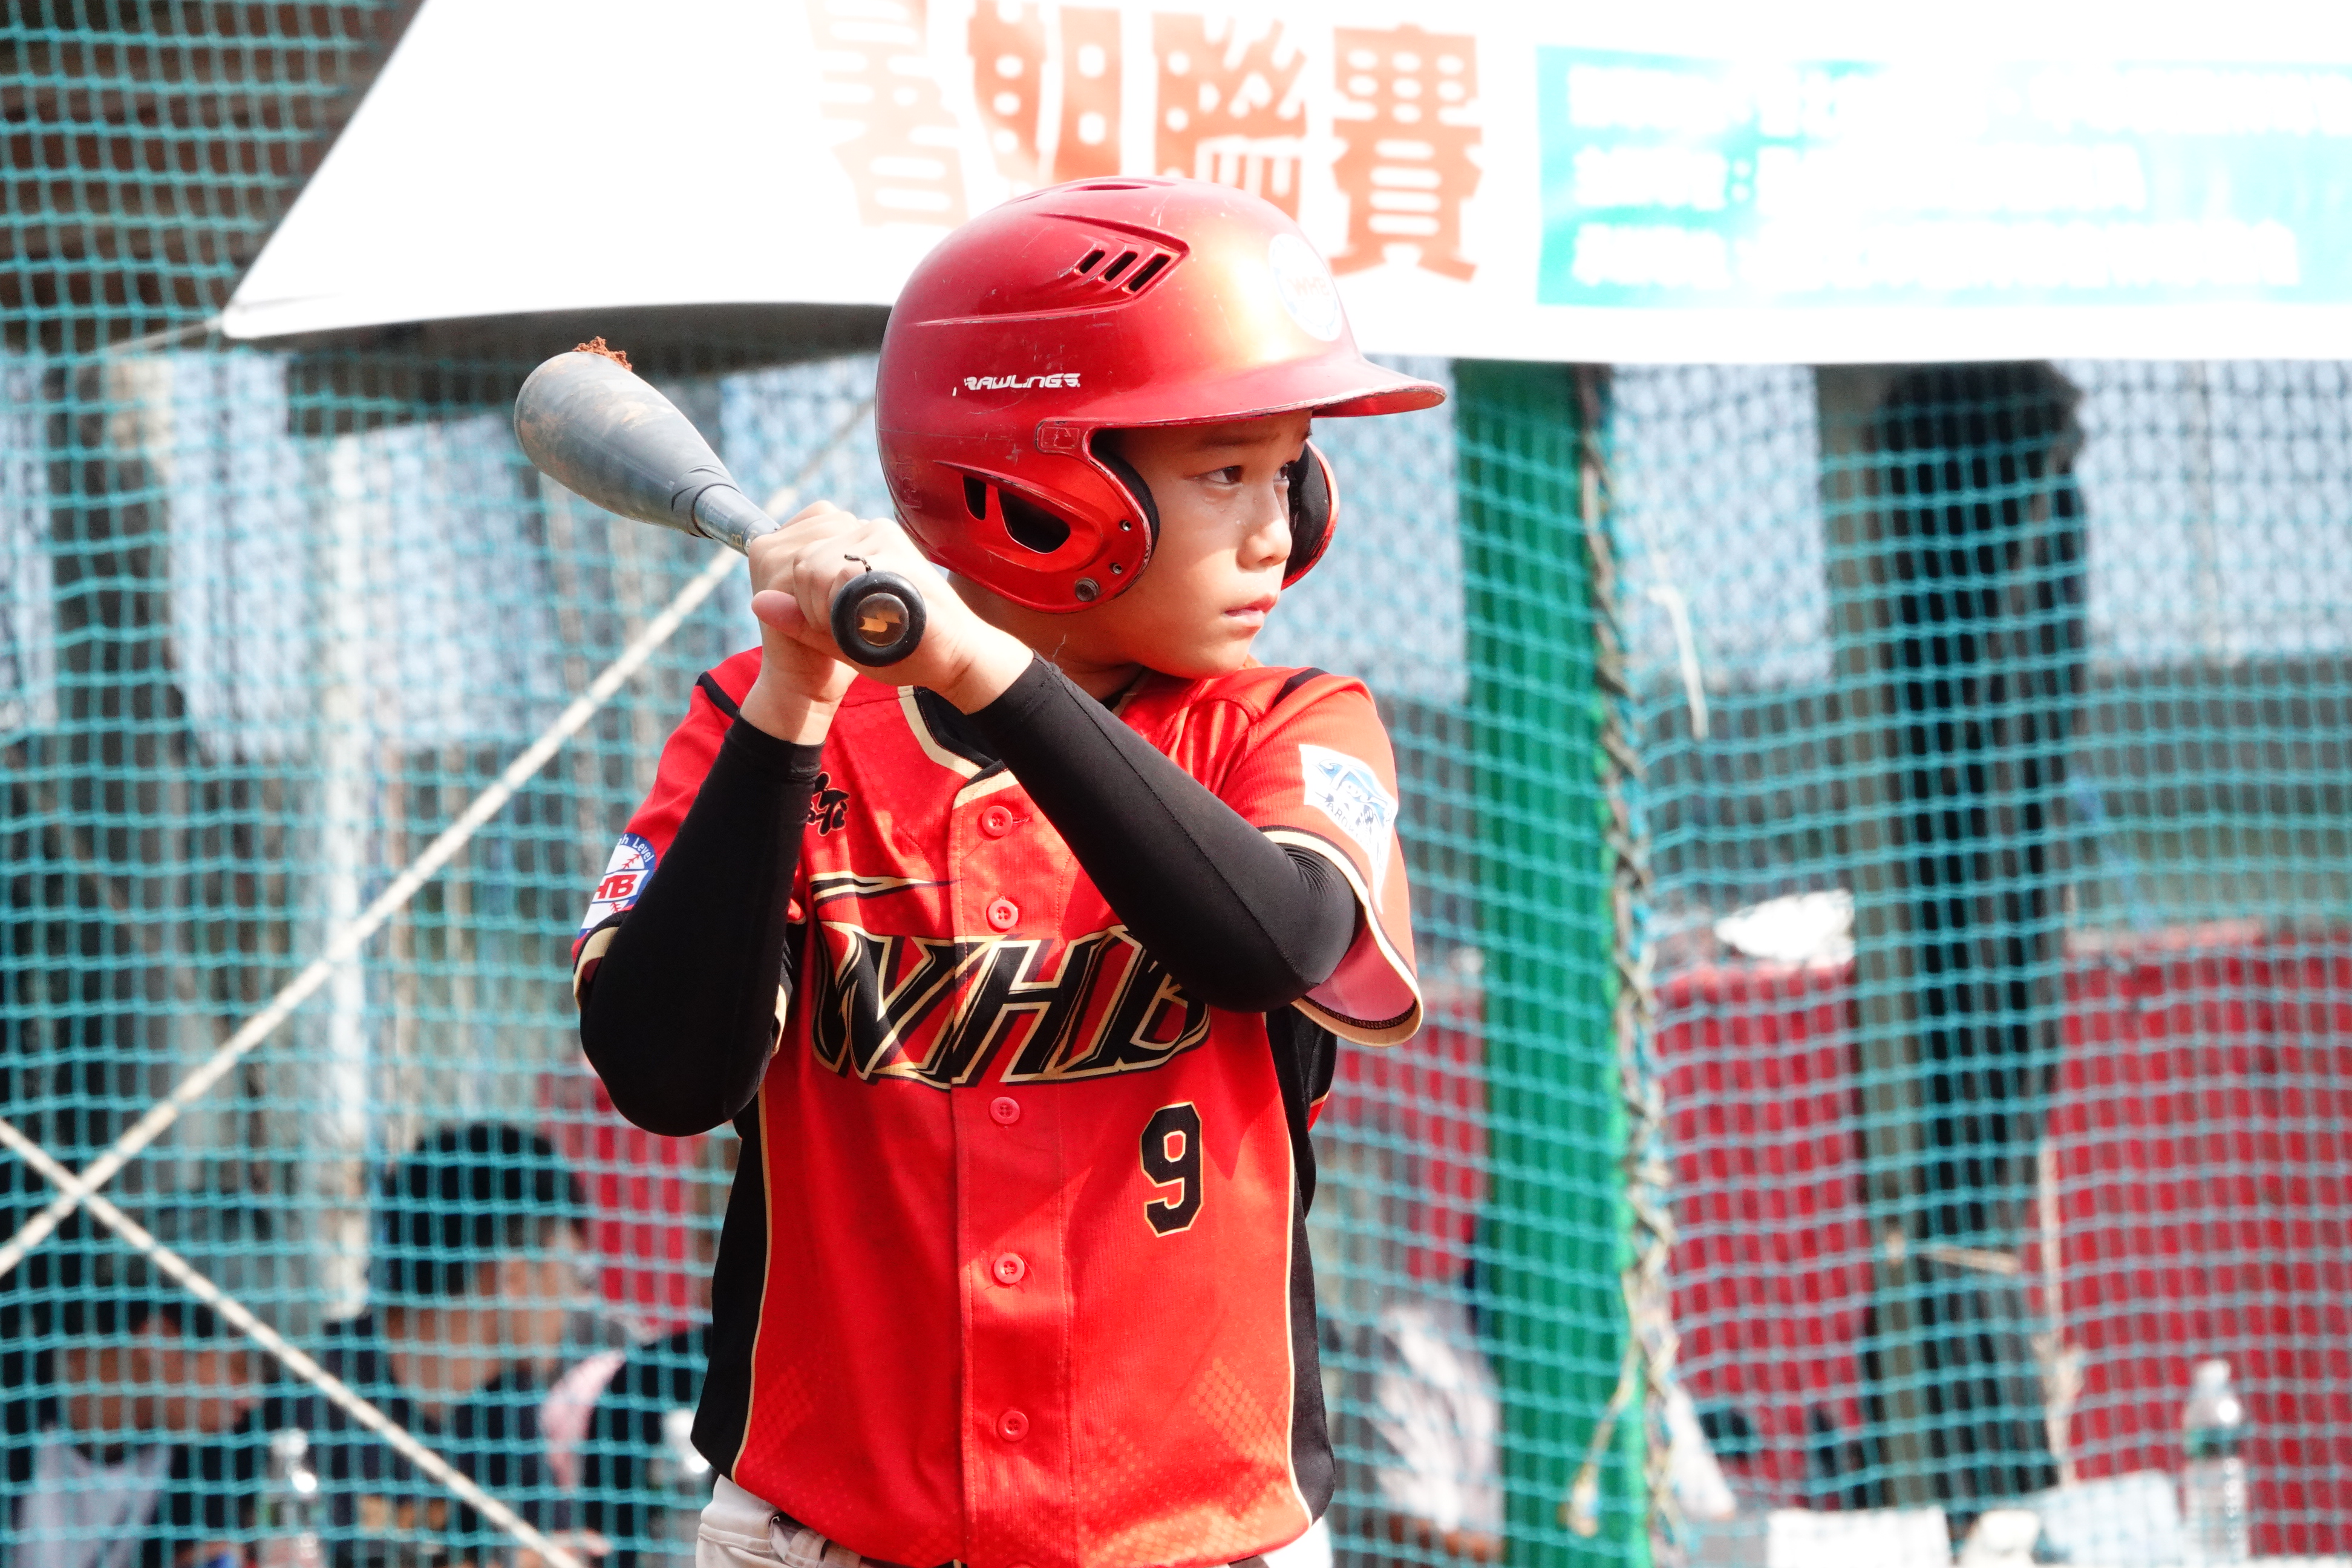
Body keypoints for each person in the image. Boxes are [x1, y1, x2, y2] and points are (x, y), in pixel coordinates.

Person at [574, 177, 1434, 1568]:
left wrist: (978, 662)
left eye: (1288, 470)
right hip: (831, 1533)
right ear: (1033, 495)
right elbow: (666, 1076)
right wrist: (794, 692)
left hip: (1198, 1537)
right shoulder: (765, 721)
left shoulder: (1287, 726)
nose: (1276, 528)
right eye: (1224, 473)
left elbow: (1271, 943)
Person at [278, 1124, 592, 1568]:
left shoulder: (505, 1412)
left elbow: (549, 1547)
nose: (578, 1299)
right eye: (573, 1275)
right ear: (514, 1277)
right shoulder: (305, 1390)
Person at [2, 1258, 264, 1568]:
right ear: (159, 1339)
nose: (250, 1401)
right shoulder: (17, 1394)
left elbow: (211, 1552)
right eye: (238, 1369)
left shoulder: (190, 1453)